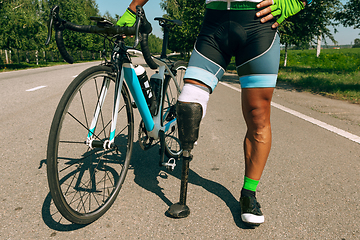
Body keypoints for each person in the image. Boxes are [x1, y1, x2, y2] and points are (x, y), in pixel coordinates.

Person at [117, 0, 310, 225]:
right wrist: (134, 8)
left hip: (259, 27)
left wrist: (298, 1)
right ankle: (181, 180)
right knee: (189, 103)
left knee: (258, 115)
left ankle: (249, 193)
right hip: (214, 26)